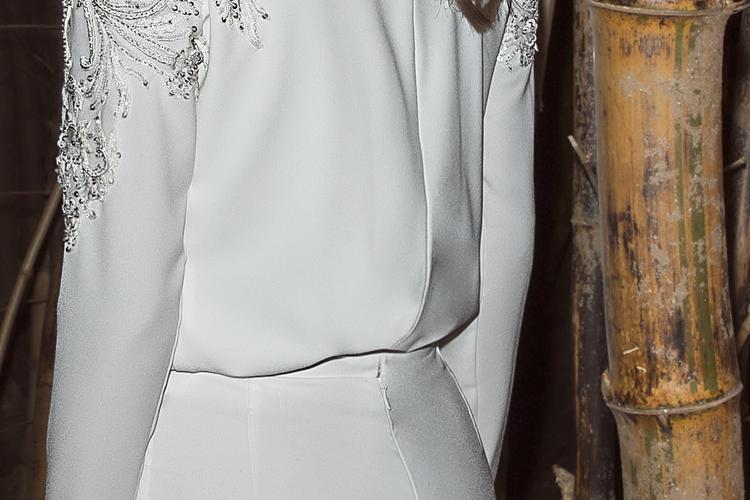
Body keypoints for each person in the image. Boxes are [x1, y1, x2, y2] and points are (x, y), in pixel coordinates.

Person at [46, 0, 537, 498]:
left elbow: (123, 302)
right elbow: (503, 235)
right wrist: (470, 460)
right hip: (442, 447)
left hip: (223, 458)